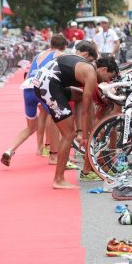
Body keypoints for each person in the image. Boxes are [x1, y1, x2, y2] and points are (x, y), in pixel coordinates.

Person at [32, 55, 118, 189]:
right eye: (110, 77)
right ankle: (58, 179)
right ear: (104, 69)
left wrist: (83, 130)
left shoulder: (87, 66)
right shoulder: (91, 74)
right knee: (68, 134)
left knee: (78, 96)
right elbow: (86, 110)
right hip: (48, 85)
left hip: (47, 81)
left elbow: (86, 105)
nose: (109, 81)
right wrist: (85, 136)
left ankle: (77, 131)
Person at [0, 34, 68, 167]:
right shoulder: (60, 54)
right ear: (63, 46)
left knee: (31, 127)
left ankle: (10, 150)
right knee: (55, 118)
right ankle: (53, 156)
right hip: (42, 88)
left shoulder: (39, 55)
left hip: (28, 89)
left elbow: (29, 72)